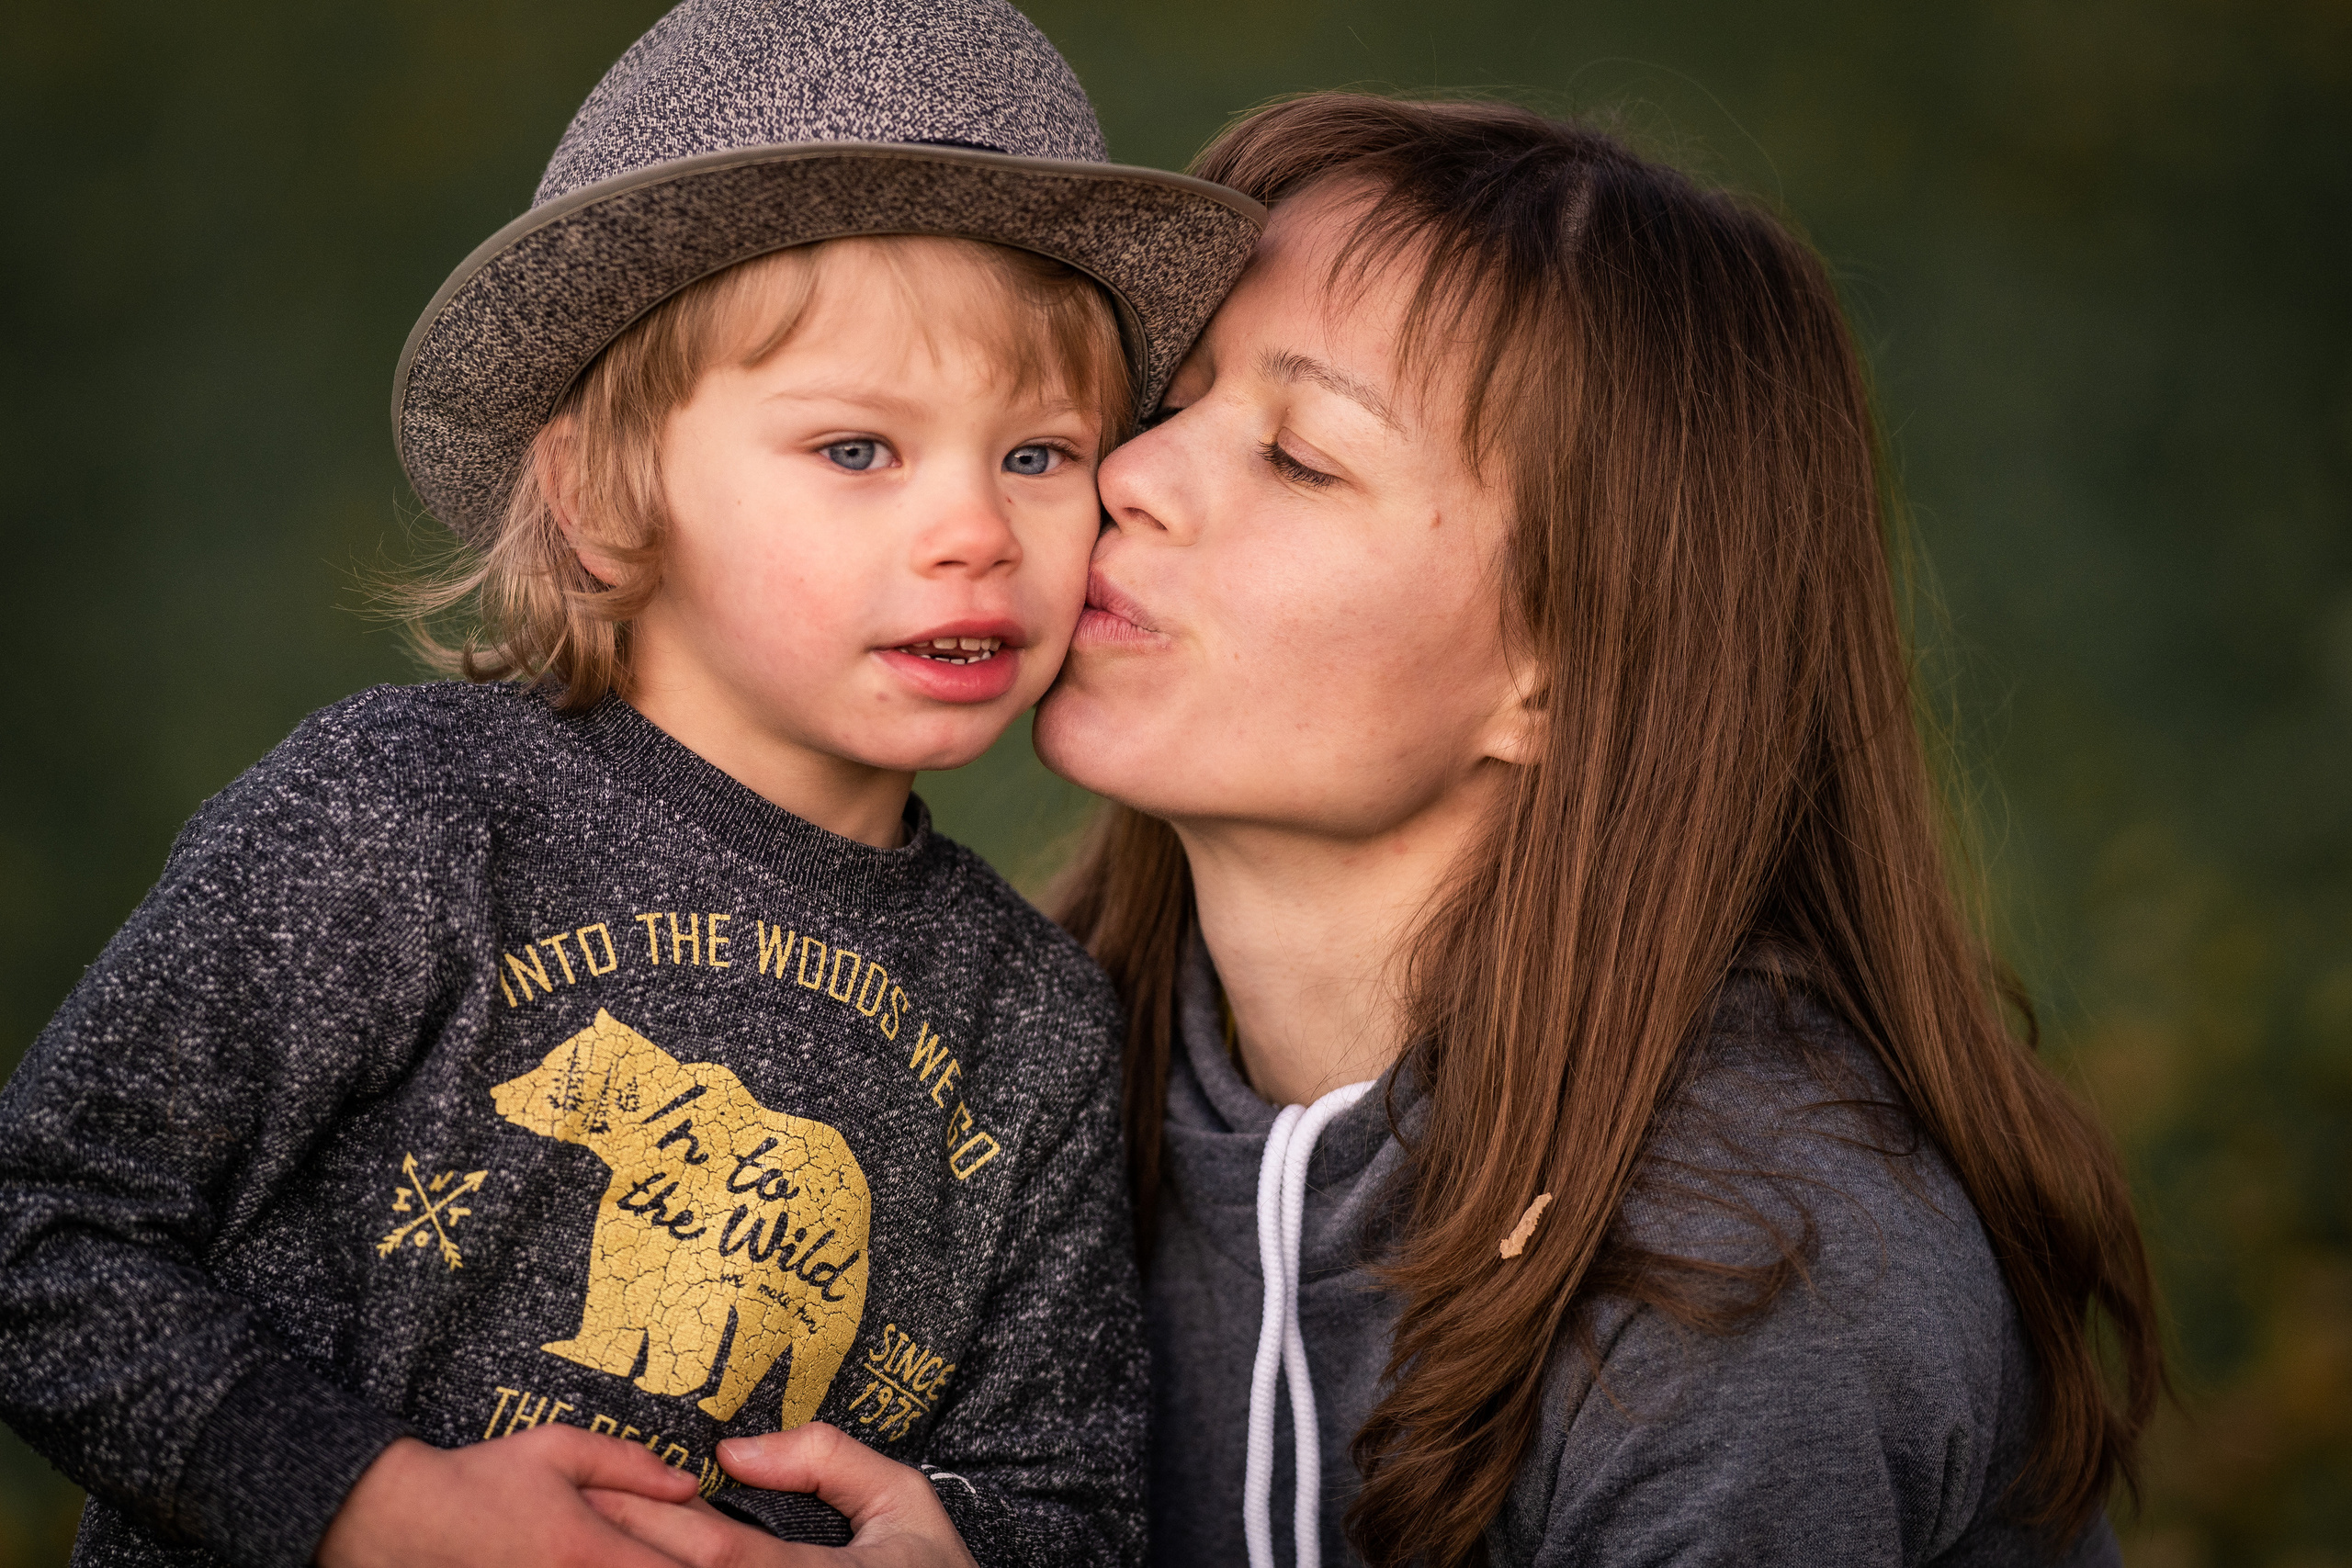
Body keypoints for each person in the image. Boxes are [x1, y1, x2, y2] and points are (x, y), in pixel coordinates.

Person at [673, 94, 2168, 1567]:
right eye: (1171, 396)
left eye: (1301, 456)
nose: (1127, 473)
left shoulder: (1758, 1274)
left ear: (1567, 670)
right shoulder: (1006, 1077)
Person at [0, 4, 1259, 1567]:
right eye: (858, 450)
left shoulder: (1036, 1024)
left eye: (1039, 455)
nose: (978, 535)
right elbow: (46, 1230)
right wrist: (372, 1506)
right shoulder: (403, 815)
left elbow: (1065, 1496)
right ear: (603, 493)